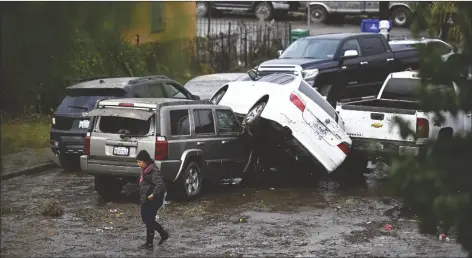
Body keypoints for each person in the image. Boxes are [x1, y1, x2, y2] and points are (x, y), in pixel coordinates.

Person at [136, 150, 169, 248]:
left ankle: (149, 242)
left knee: (149, 219)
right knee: (146, 218)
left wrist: (153, 194)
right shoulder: (145, 170)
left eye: (139, 162)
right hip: (146, 198)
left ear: (145, 161)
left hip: (154, 199)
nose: (138, 164)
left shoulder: (153, 171)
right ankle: (163, 233)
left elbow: (160, 185)